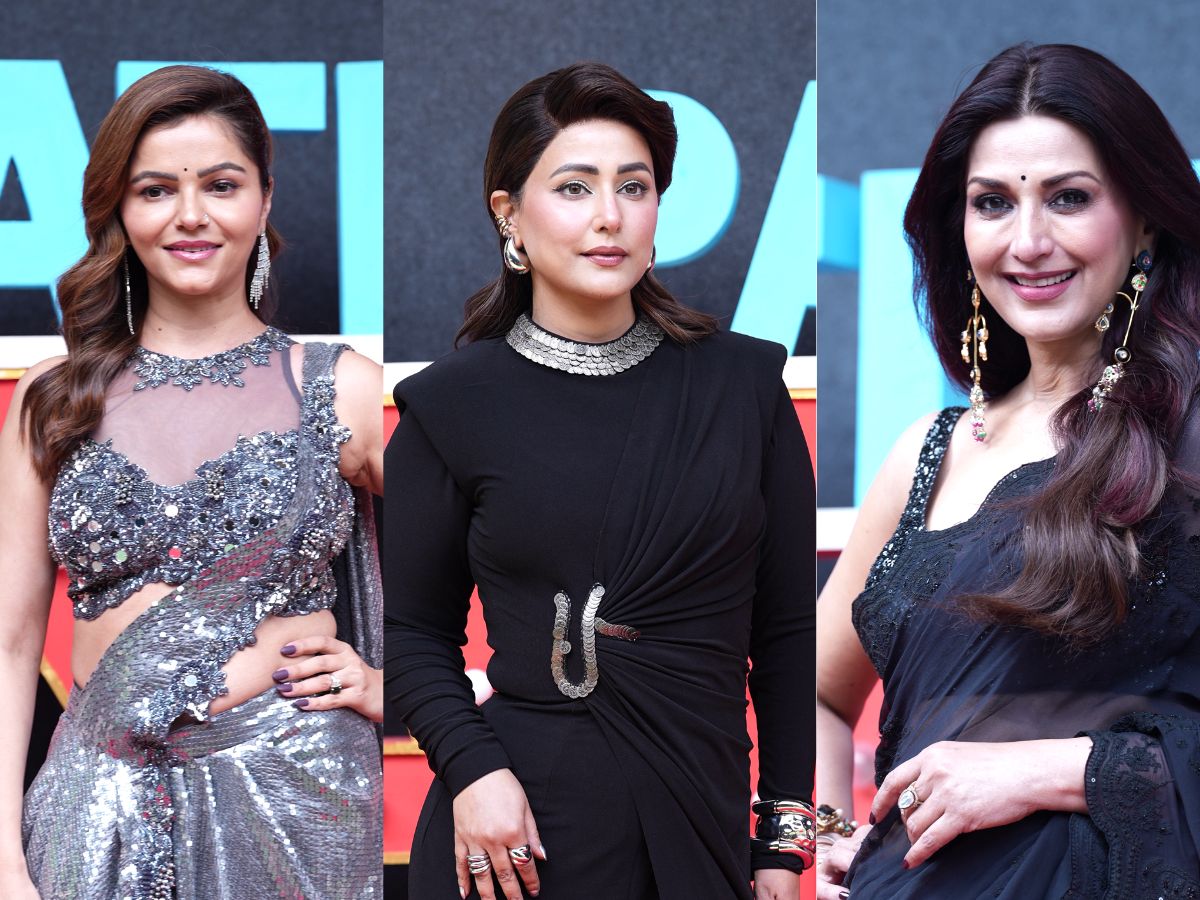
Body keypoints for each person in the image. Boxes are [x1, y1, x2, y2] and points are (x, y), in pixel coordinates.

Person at [384, 62, 814, 900]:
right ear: (509, 213)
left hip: (703, 819)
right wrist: (473, 772)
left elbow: (789, 632)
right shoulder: (449, 405)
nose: (609, 215)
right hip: (519, 840)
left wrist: (782, 843)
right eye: (574, 188)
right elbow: (411, 634)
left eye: (634, 187)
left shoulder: (745, 388)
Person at [816, 43, 1200, 899]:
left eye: (1069, 198)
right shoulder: (927, 452)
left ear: (1144, 221)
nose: (1028, 242)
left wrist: (1050, 771)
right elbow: (818, 692)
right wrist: (828, 830)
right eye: (993, 202)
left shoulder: (1186, 438)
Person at [0, 65, 384, 899]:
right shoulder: (52, 399)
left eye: (221, 185)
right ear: (119, 209)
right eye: (156, 190)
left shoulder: (340, 387)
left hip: (293, 795)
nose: (191, 215)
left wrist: (399, 691)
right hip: (91, 805)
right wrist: (1, 860)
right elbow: (9, 644)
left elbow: (495, 561)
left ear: (265, 199)